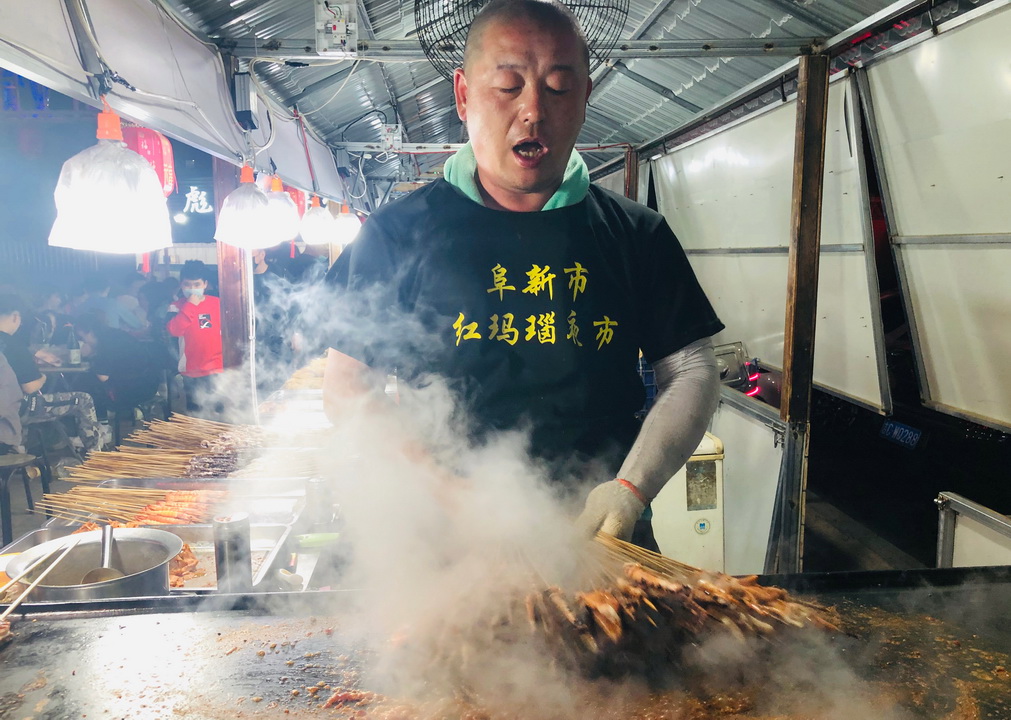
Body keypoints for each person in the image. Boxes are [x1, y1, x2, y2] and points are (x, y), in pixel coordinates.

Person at [323, 0, 723, 548]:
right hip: (448, 545)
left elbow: (693, 369)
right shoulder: (395, 234)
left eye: (559, 87)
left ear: (585, 97)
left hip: (599, 539)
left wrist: (630, 489)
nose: (534, 109)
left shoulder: (636, 234)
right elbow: (348, 388)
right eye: (508, 86)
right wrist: (452, 496)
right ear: (463, 95)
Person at [0, 294, 103, 454]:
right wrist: (43, 377)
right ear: (15, 316)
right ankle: (96, 454)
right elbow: (31, 387)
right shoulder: (13, 345)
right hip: (18, 409)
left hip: (5, 410)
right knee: (83, 399)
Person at [73, 315, 167, 417]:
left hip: (133, 390)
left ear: (90, 332)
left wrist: (88, 355)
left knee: (86, 383)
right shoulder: (116, 334)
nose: (83, 341)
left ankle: (100, 422)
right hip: (149, 383)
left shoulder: (105, 344)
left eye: (83, 338)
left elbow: (103, 377)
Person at [166, 260, 223, 417]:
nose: (192, 289)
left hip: (217, 367)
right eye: (188, 285)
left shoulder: (217, 303)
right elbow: (175, 331)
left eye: (197, 284)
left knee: (218, 411)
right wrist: (190, 306)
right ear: (181, 285)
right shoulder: (175, 307)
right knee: (196, 412)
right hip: (191, 369)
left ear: (205, 284)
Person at [74, 273, 146, 333]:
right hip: (111, 342)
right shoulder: (113, 304)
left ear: (86, 289)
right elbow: (136, 324)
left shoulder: (80, 308)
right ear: (108, 288)